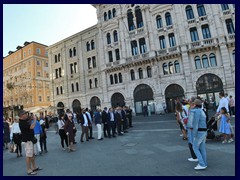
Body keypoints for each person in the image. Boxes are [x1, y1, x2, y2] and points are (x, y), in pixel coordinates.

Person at [19, 110, 42, 175]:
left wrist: (31, 118)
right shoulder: (22, 123)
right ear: (22, 115)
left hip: (30, 140)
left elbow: (28, 122)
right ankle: (29, 169)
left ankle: (34, 167)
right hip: (27, 141)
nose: (26, 115)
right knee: (28, 155)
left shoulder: (24, 121)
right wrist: (35, 120)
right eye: (25, 114)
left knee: (32, 154)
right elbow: (31, 127)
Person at [192, 99, 208, 170]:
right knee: (202, 148)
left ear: (195, 105)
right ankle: (204, 163)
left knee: (195, 147)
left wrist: (194, 134)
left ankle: (202, 164)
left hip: (200, 131)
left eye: (193, 104)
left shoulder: (197, 111)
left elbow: (195, 123)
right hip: (204, 131)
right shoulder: (202, 111)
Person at [186, 96, 198, 162]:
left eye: (189, 100)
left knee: (192, 142)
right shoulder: (191, 107)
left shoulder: (193, 108)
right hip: (191, 128)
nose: (188, 100)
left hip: (192, 128)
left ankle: (195, 157)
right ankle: (194, 156)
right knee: (191, 142)